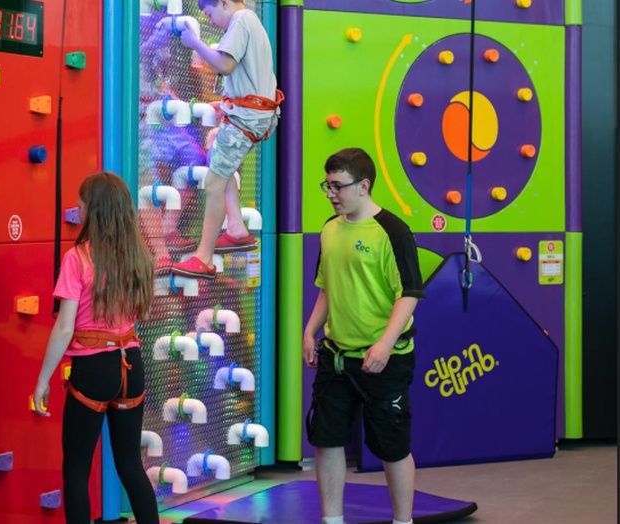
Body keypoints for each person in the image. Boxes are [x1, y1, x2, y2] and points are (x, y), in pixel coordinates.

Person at [302, 148, 424, 524]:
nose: (331, 193)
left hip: (384, 360)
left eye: (338, 186)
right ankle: (332, 519)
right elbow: (327, 288)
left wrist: (385, 344)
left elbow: (409, 293)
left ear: (364, 185)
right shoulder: (329, 228)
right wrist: (310, 332)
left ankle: (402, 521)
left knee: (392, 446)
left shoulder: (393, 232)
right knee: (327, 439)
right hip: (336, 357)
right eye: (327, 185)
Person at [32, 171, 159, 524]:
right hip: (129, 363)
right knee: (130, 465)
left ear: (95, 210)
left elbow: (64, 327)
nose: (78, 207)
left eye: (82, 203)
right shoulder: (138, 256)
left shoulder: (78, 258)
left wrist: (43, 380)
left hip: (93, 368)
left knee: (76, 470)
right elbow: (143, 313)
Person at [171, 0, 283, 279]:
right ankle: (235, 227)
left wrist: (195, 43)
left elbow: (225, 64)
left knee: (213, 182)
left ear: (223, 2)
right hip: (253, 114)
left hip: (247, 117)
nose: (209, 20)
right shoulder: (250, 23)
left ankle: (204, 258)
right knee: (216, 151)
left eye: (209, 13)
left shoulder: (241, 21)